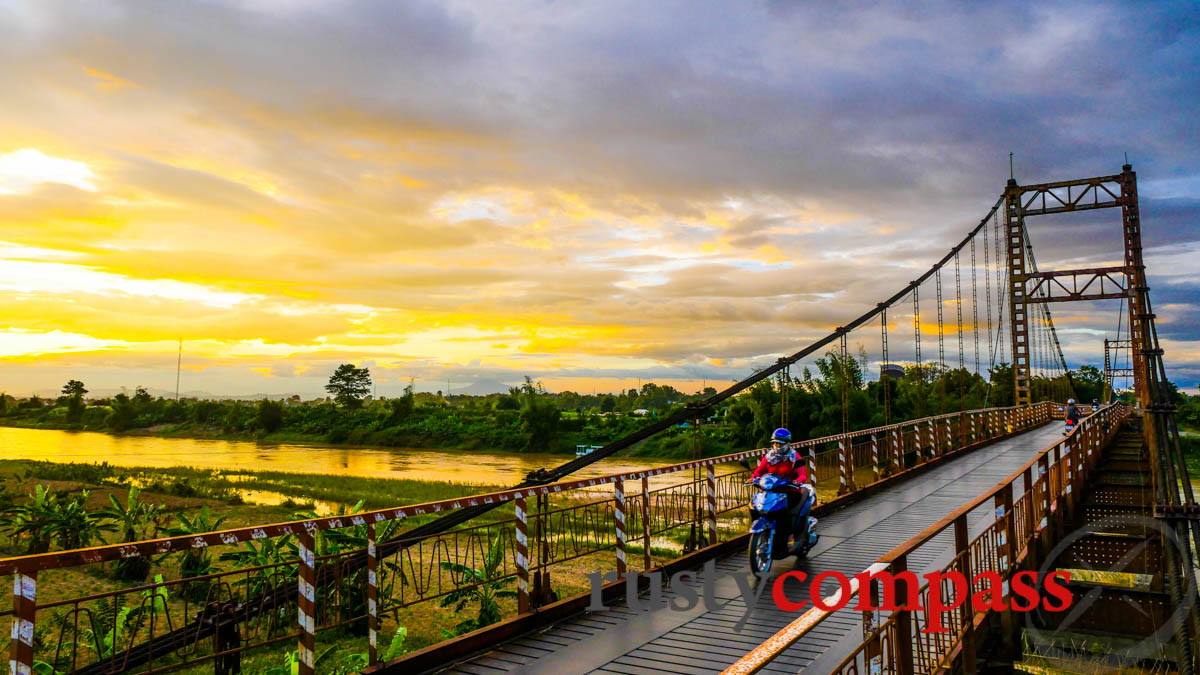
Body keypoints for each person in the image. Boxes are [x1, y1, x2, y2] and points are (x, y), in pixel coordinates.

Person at [750, 428, 809, 553]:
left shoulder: (794, 457)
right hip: (772, 490)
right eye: (775, 443)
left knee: (784, 511)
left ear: (787, 444)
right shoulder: (769, 456)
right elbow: (759, 471)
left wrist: (798, 481)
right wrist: (753, 478)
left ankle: (789, 537)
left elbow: (802, 474)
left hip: (790, 490)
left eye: (780, 444)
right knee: (754, 504)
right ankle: (764, 529)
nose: (778, 446)